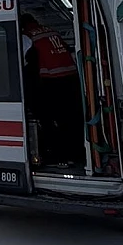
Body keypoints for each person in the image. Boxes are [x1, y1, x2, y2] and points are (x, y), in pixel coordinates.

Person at [20, 13, 84, 167]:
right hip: (71, 78)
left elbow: (21, 59)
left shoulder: (27, 36)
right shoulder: (51, 31)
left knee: (50, 121)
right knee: (73, 119)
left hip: (51, 81)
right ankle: (78, 154)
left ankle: (60, 156)